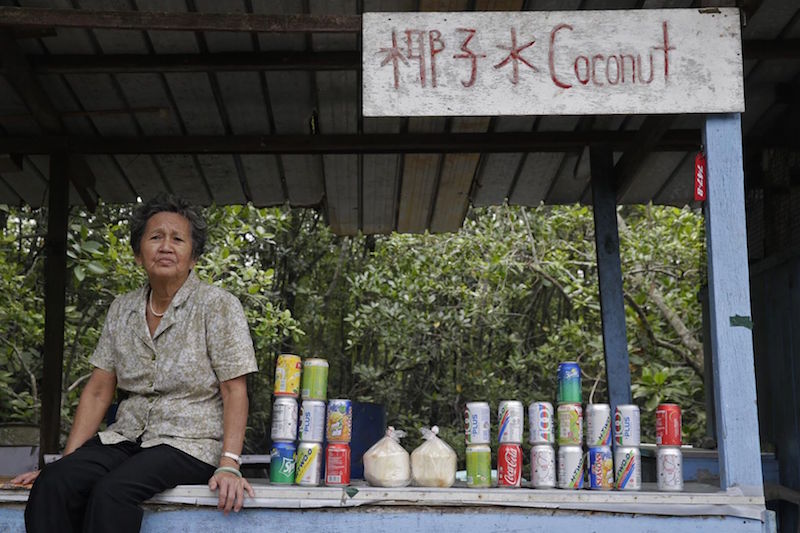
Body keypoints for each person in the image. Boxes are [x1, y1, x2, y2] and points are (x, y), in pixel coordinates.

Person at [13, 193, 258, 532]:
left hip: (189, 443)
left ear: (194, 256)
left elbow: (234, 390)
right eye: (155, 237)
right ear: (137, 253)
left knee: (113, 493)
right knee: (54, 482)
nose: (166, 246)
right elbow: (99, 389)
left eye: (178, 239)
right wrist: (69, 461)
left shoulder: (217, 306)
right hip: (127, 438)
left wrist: (229, 463)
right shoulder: (122, 309)